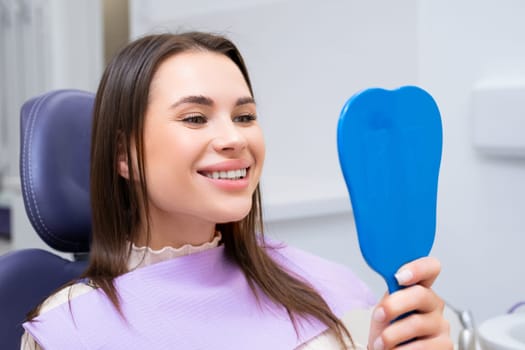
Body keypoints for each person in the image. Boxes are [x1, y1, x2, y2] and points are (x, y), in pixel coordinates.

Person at [21, 32, 451, 349]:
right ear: (124, 154)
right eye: (195, 118)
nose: (234, 139)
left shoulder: (331, 288)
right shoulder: (65, 331)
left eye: (244, 116)